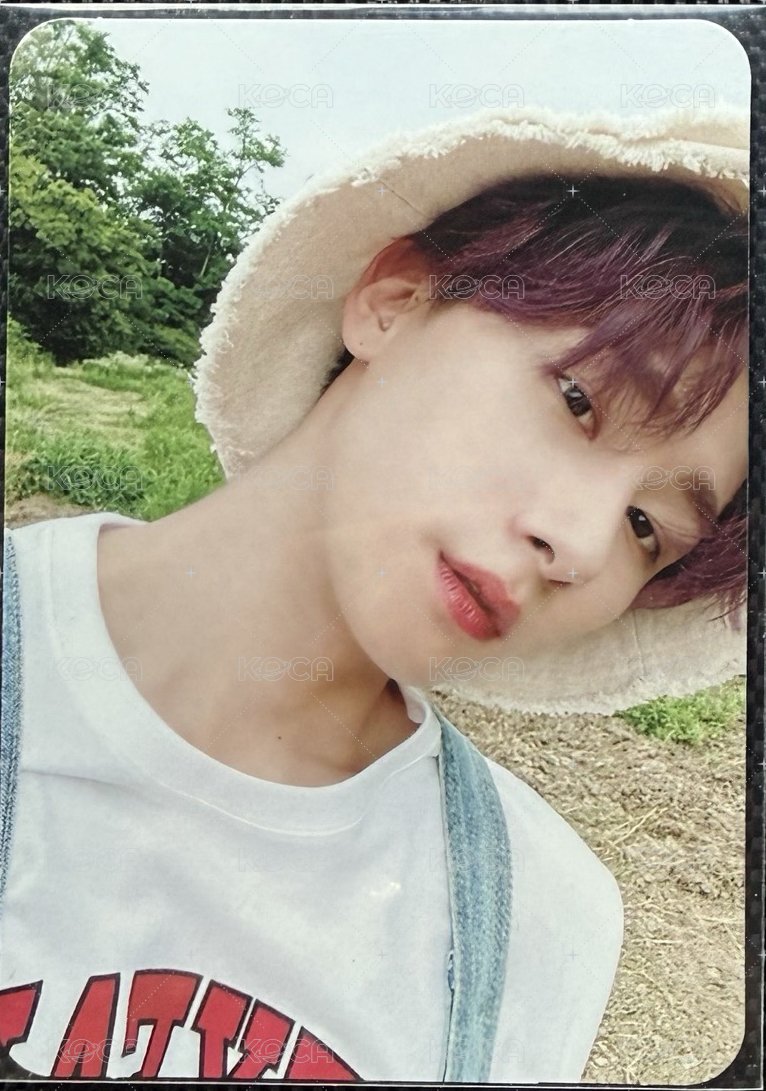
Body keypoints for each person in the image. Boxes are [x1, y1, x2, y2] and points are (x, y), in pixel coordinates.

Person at [0, 104, 749, 1083]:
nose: (576, 542)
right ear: (392, 300)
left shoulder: (537, 919)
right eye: (579, 399)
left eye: (647, 529)